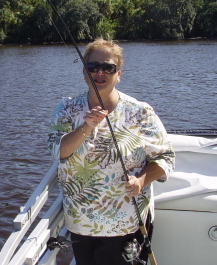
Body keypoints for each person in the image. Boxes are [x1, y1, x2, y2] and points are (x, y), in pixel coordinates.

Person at [47, 39, 175, 265]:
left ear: (119, 74)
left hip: (126, 223)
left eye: (108, 67)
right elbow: (58, 151)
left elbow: (165, 157)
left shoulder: (140, 112)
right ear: (84, 72)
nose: (100, 72)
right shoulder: (67, 108)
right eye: (92, 67)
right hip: (81, 222)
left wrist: (141, 181)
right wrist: (87, 126)